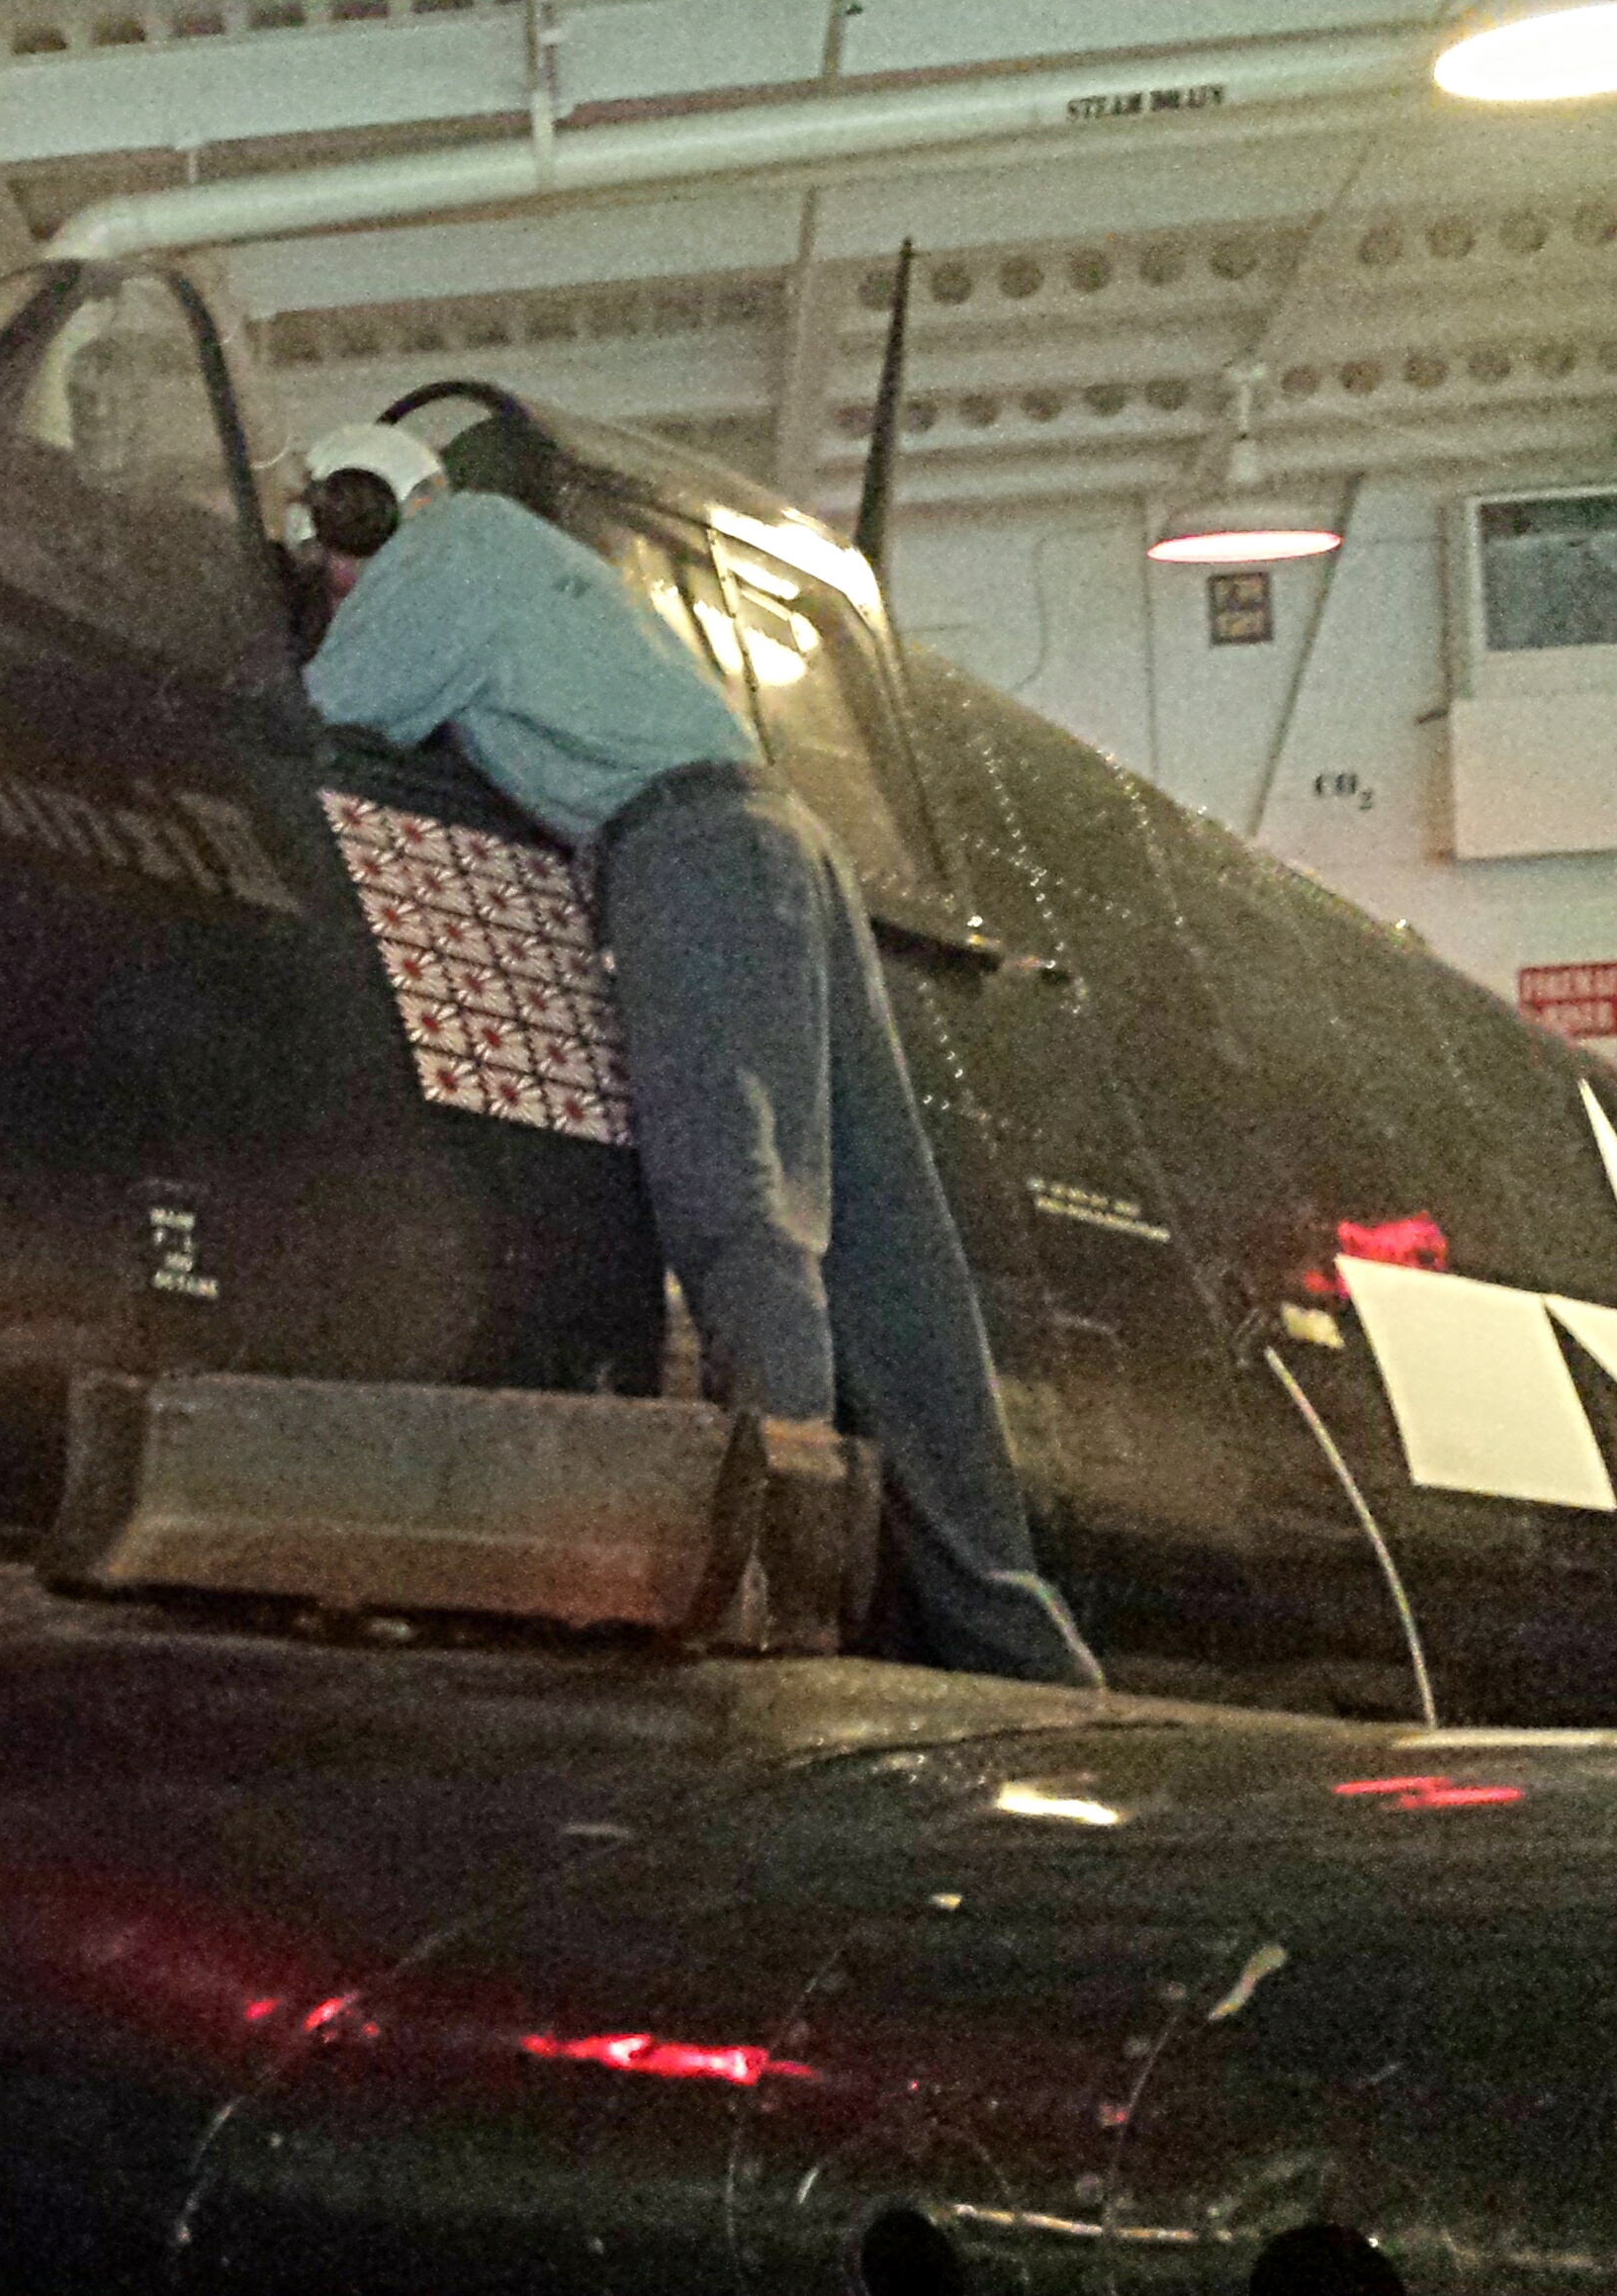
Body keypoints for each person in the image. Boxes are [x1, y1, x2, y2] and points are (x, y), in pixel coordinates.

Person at [293, 423, 1103, 1691]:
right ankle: (1027, 1650)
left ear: (363, 512)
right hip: (781, 845)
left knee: (737, 1201)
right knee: (887, 1255)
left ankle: (776, 1575)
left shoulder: (443, 552)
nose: (336, 575)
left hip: (688, 853)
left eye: (332, 548)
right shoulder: (528, 559)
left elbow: (326, 709)